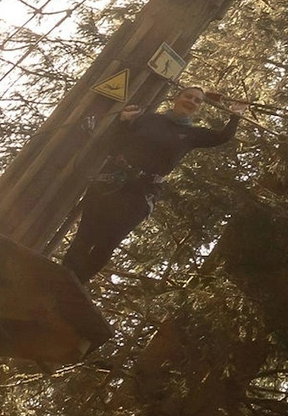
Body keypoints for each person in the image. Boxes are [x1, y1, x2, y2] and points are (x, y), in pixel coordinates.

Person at [61, 86, 241, 280]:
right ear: (177, 98)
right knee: (85, 235)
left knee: (107, 243)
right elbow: (115, 145)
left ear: (199, 108)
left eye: (197, 101)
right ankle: (61, 278)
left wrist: (236, 115)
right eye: (188, 96)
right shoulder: (148, 120)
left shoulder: (193, 135)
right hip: (111, 182)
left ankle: (77, 282)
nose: (191, 101)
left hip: (140, 194)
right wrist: (123, 122)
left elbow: (222, 137)